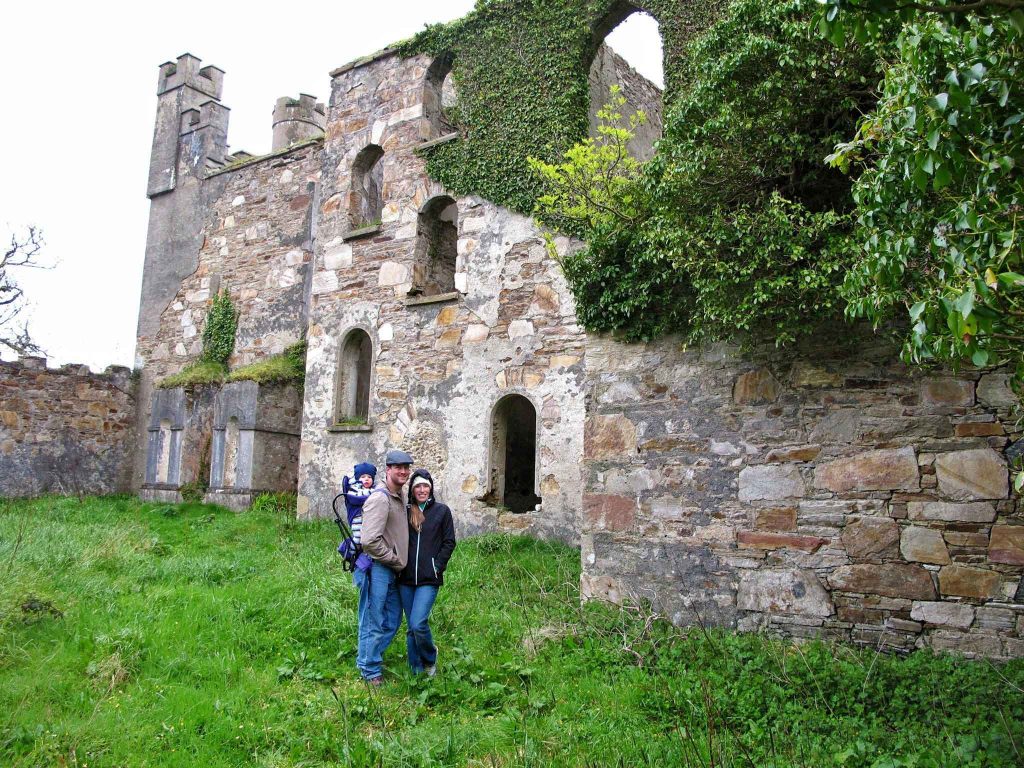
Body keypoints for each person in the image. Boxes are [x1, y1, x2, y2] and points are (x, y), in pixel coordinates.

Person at [356, 449, 413, 685]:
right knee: (373, 619)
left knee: (391, 618)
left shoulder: (399, 496)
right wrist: (394, 559)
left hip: (391, 570)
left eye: (406, 468)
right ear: (388, 469)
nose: (403, 471)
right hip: (377, 568)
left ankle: (368, 657)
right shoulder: (380, 498)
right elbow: (369, 540)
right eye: (398, 467)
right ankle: (369, 670)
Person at [399, 469, 456, 676]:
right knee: (410, 626)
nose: (422, 490)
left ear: (430, 488)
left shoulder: (442, 511)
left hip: (428, 578)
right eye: (418, 487)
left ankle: (430, 658)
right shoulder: (405, 511)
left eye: (425, 486)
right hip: (404, 578)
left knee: (418, 622)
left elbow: (449, 541)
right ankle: (415, 669)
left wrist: (437, 566)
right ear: (412, 490)